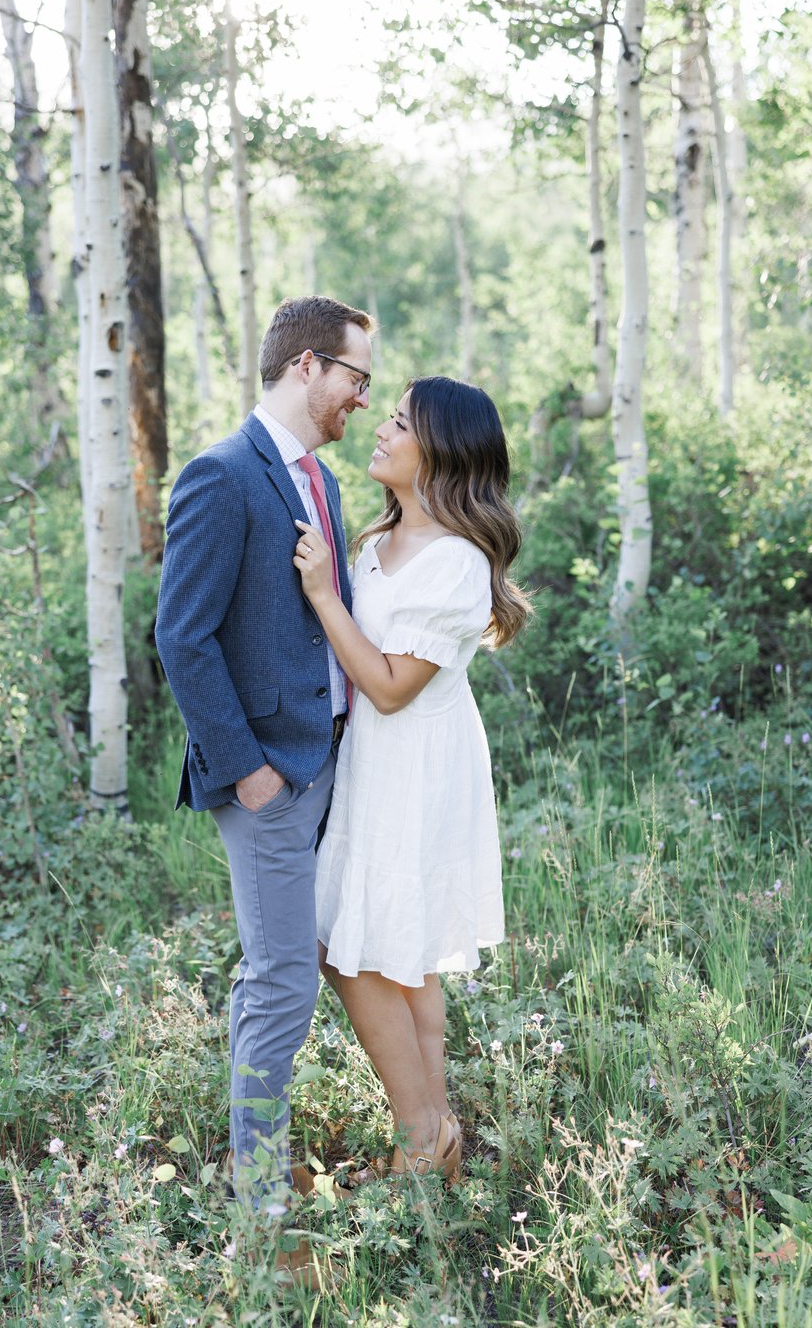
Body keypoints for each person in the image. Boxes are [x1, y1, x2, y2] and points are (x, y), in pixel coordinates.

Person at [154, 296, 375, 1230]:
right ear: (308, 367)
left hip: (328, 765)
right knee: (281, 975)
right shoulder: (222, 475)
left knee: (310, 962)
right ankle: (256, 1212)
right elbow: (181, 635)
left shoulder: (316, 478)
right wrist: (247, 769)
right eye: (357, 377)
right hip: (271, 779)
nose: (365, 397)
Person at [293, 375, 530, 1180]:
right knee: (402, 956)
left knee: (352, 950)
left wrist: (324, 595)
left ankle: (419, 1132)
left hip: (418, 765)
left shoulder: (457, 563)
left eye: (400, 421)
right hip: (373, 762)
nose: (381, 428)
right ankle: (439, 1138)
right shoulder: (375, 544)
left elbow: (392, 687)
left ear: (442, 451)